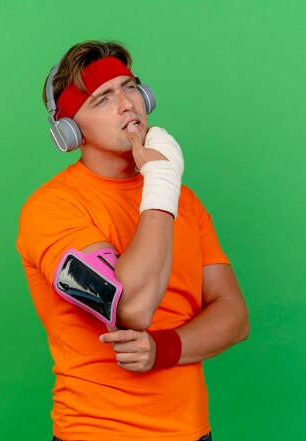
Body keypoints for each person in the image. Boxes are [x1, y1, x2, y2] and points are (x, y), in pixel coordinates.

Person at [16, 40, 249, 441]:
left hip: (191, 432)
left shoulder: (186, 202)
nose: (126, 104)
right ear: (71, 132)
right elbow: (132, 308)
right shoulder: (51, 209)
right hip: (96, 433)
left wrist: (164, 349)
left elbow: (234, 316)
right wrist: (161, 182)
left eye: (129, 87)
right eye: (103, 99)